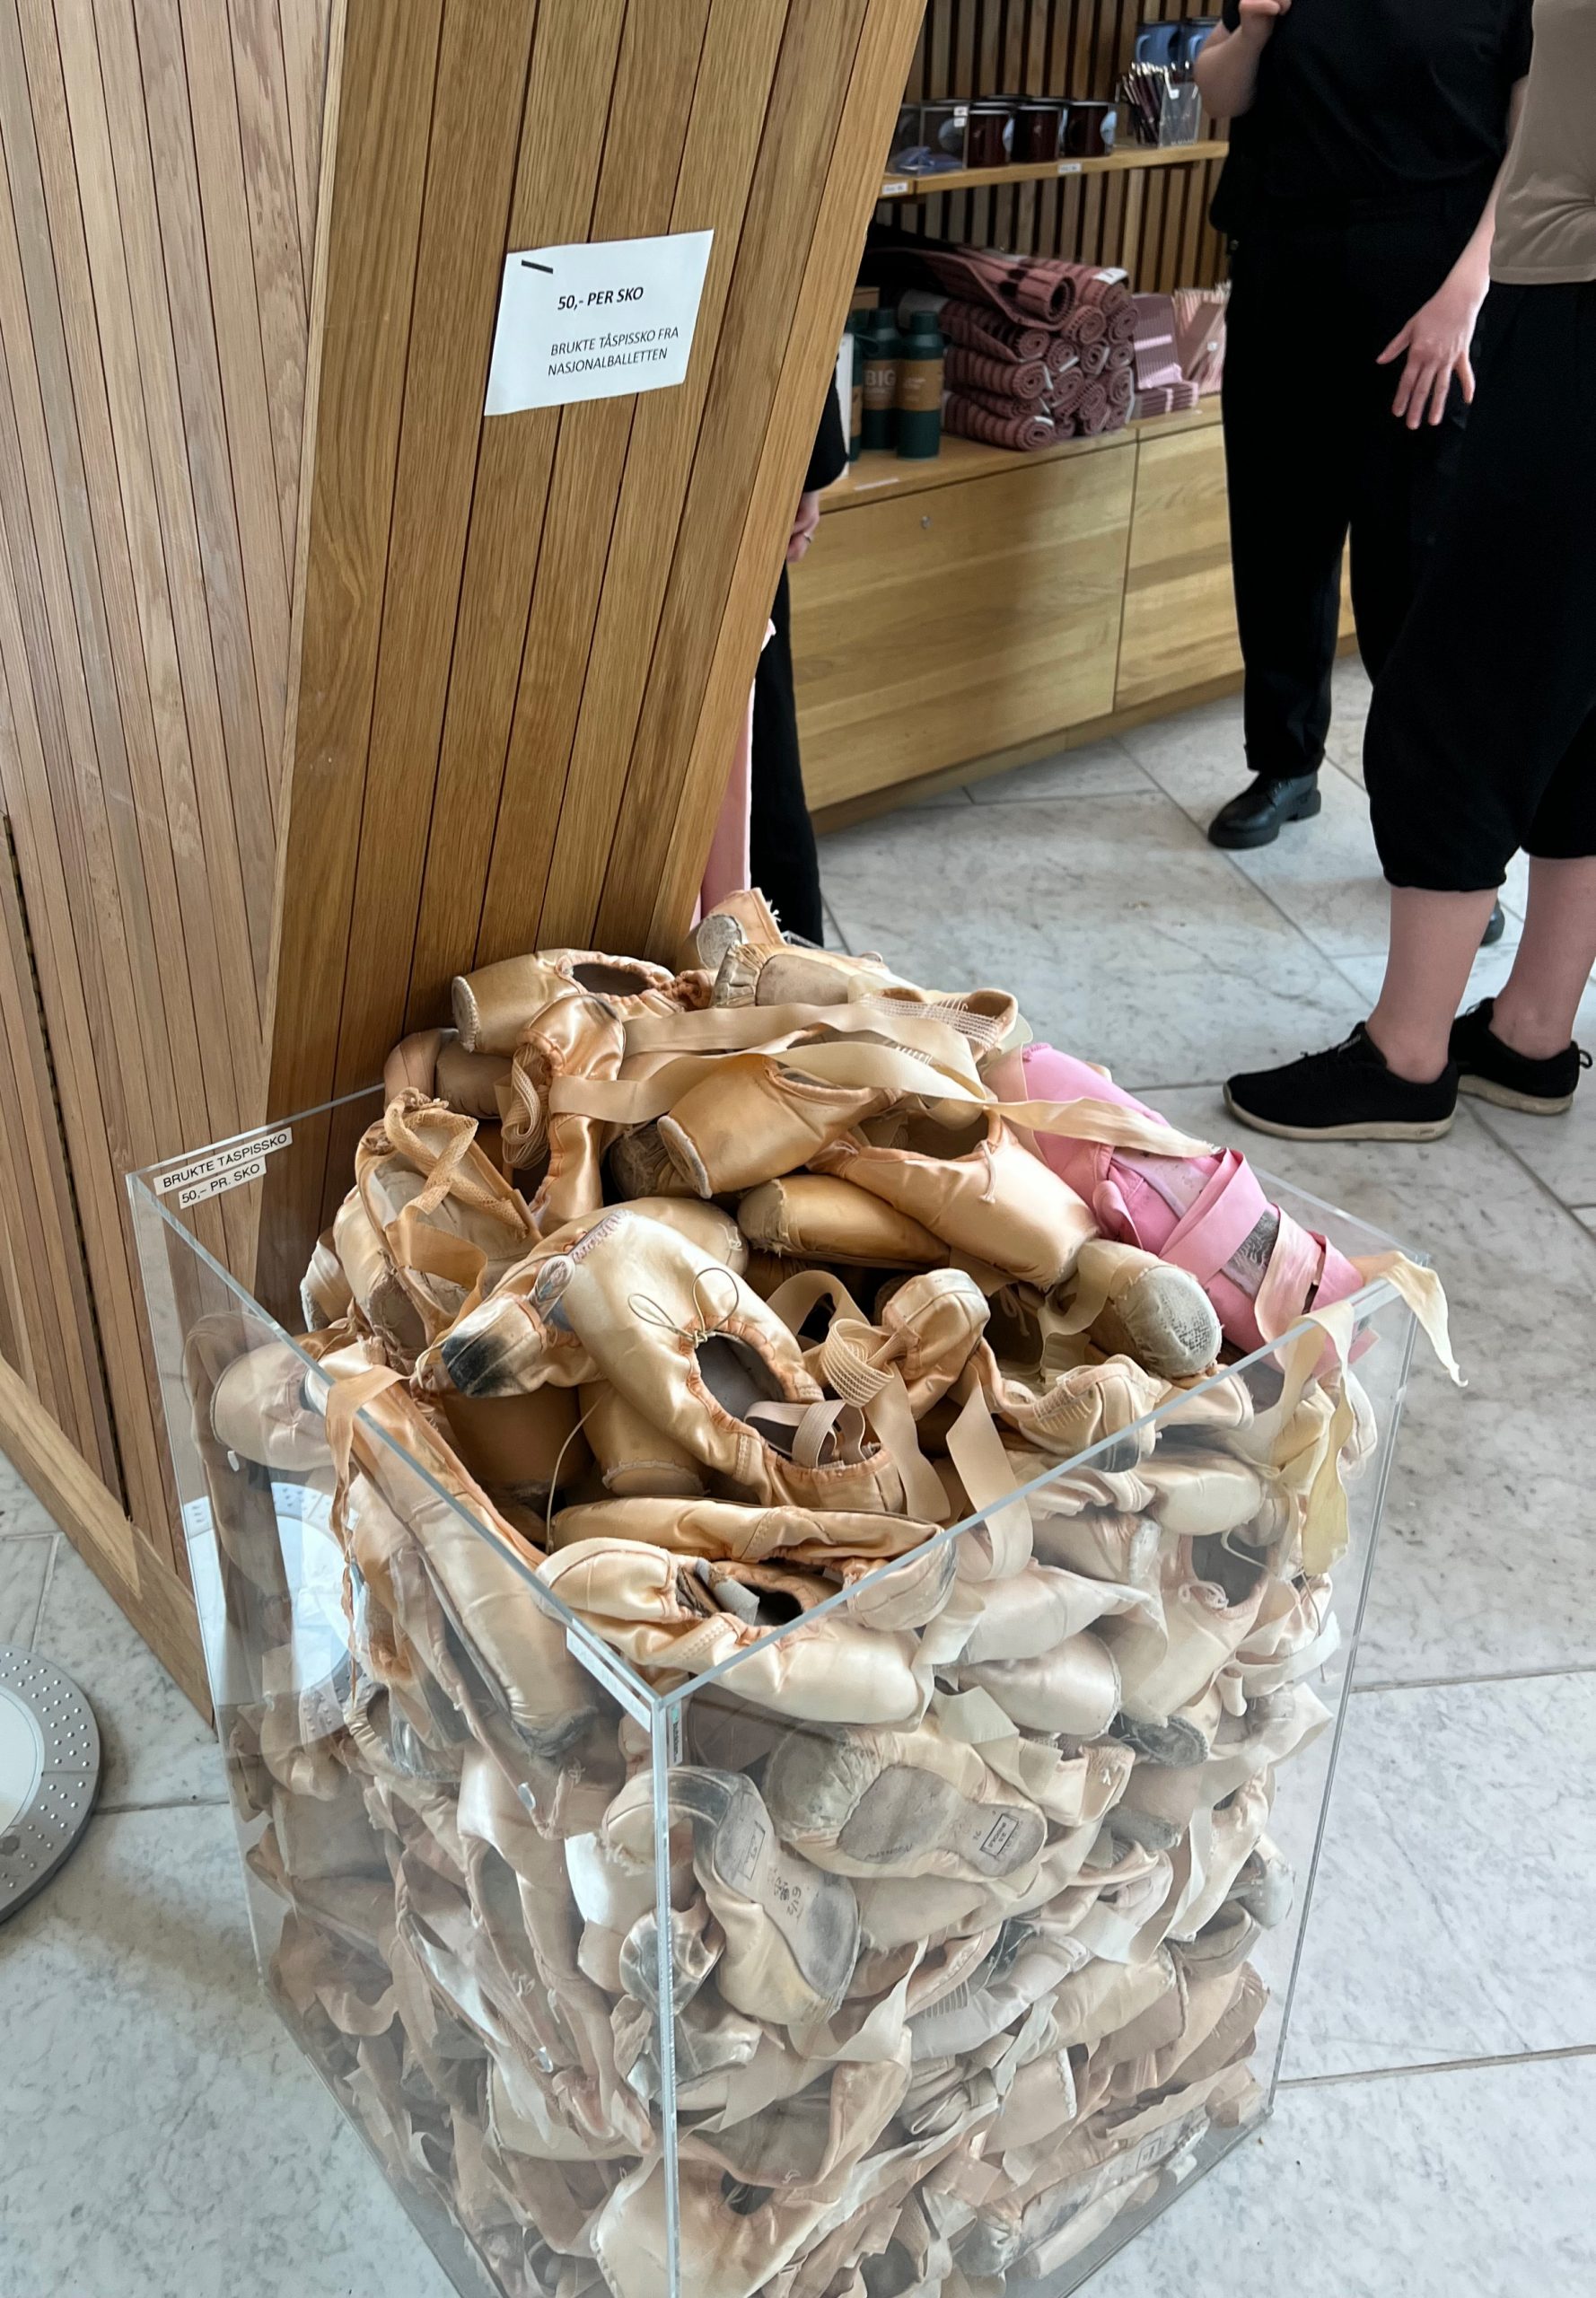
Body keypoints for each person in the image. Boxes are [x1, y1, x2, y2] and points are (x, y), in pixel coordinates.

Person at [1224, 0, 1594, 1143]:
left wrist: (1472, 290)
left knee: (1457, 678)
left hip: (1558, 305)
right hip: (1536, 289)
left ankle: (1405, 1056)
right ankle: (1530, 1032)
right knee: (1572, 686)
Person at [1197, 0, 1530, 888]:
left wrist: (1466, 294)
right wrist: (1252, 32)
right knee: (1277, 537)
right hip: (1282, 267)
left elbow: (1528, 148)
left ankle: (1438, 833)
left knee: (1414, 568)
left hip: (1429, 287)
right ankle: (1285, 764)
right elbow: (1219, 93)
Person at [748, 383, 847, 945]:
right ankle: (781, 971)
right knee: (754, 748)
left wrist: (803, 474)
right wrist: (807, 470)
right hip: (731, 461)